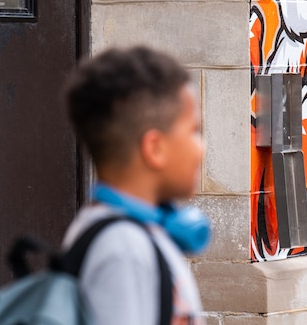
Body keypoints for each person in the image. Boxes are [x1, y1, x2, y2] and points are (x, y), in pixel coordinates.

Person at [61, 45, 209, 324]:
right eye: (193, 131)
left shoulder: (132, 234)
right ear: (155, 148)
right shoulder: (123, 250)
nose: (202, 148)